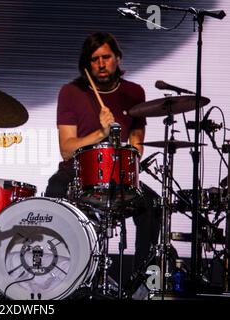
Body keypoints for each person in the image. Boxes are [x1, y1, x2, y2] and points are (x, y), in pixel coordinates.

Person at [45, 32, 161, 273]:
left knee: (153, 205)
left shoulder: (134, 93)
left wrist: (128, 154)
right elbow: (66, 150)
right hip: (76, 172)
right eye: (94, 59)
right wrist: (101, 132)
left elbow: (137, 145)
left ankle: (140, 281)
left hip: (118, 173)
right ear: (87, 64)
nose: (101, 64)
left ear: (117, 58)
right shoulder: (71, 92)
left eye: (106, 57)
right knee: (54, 191)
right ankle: (58, 272)